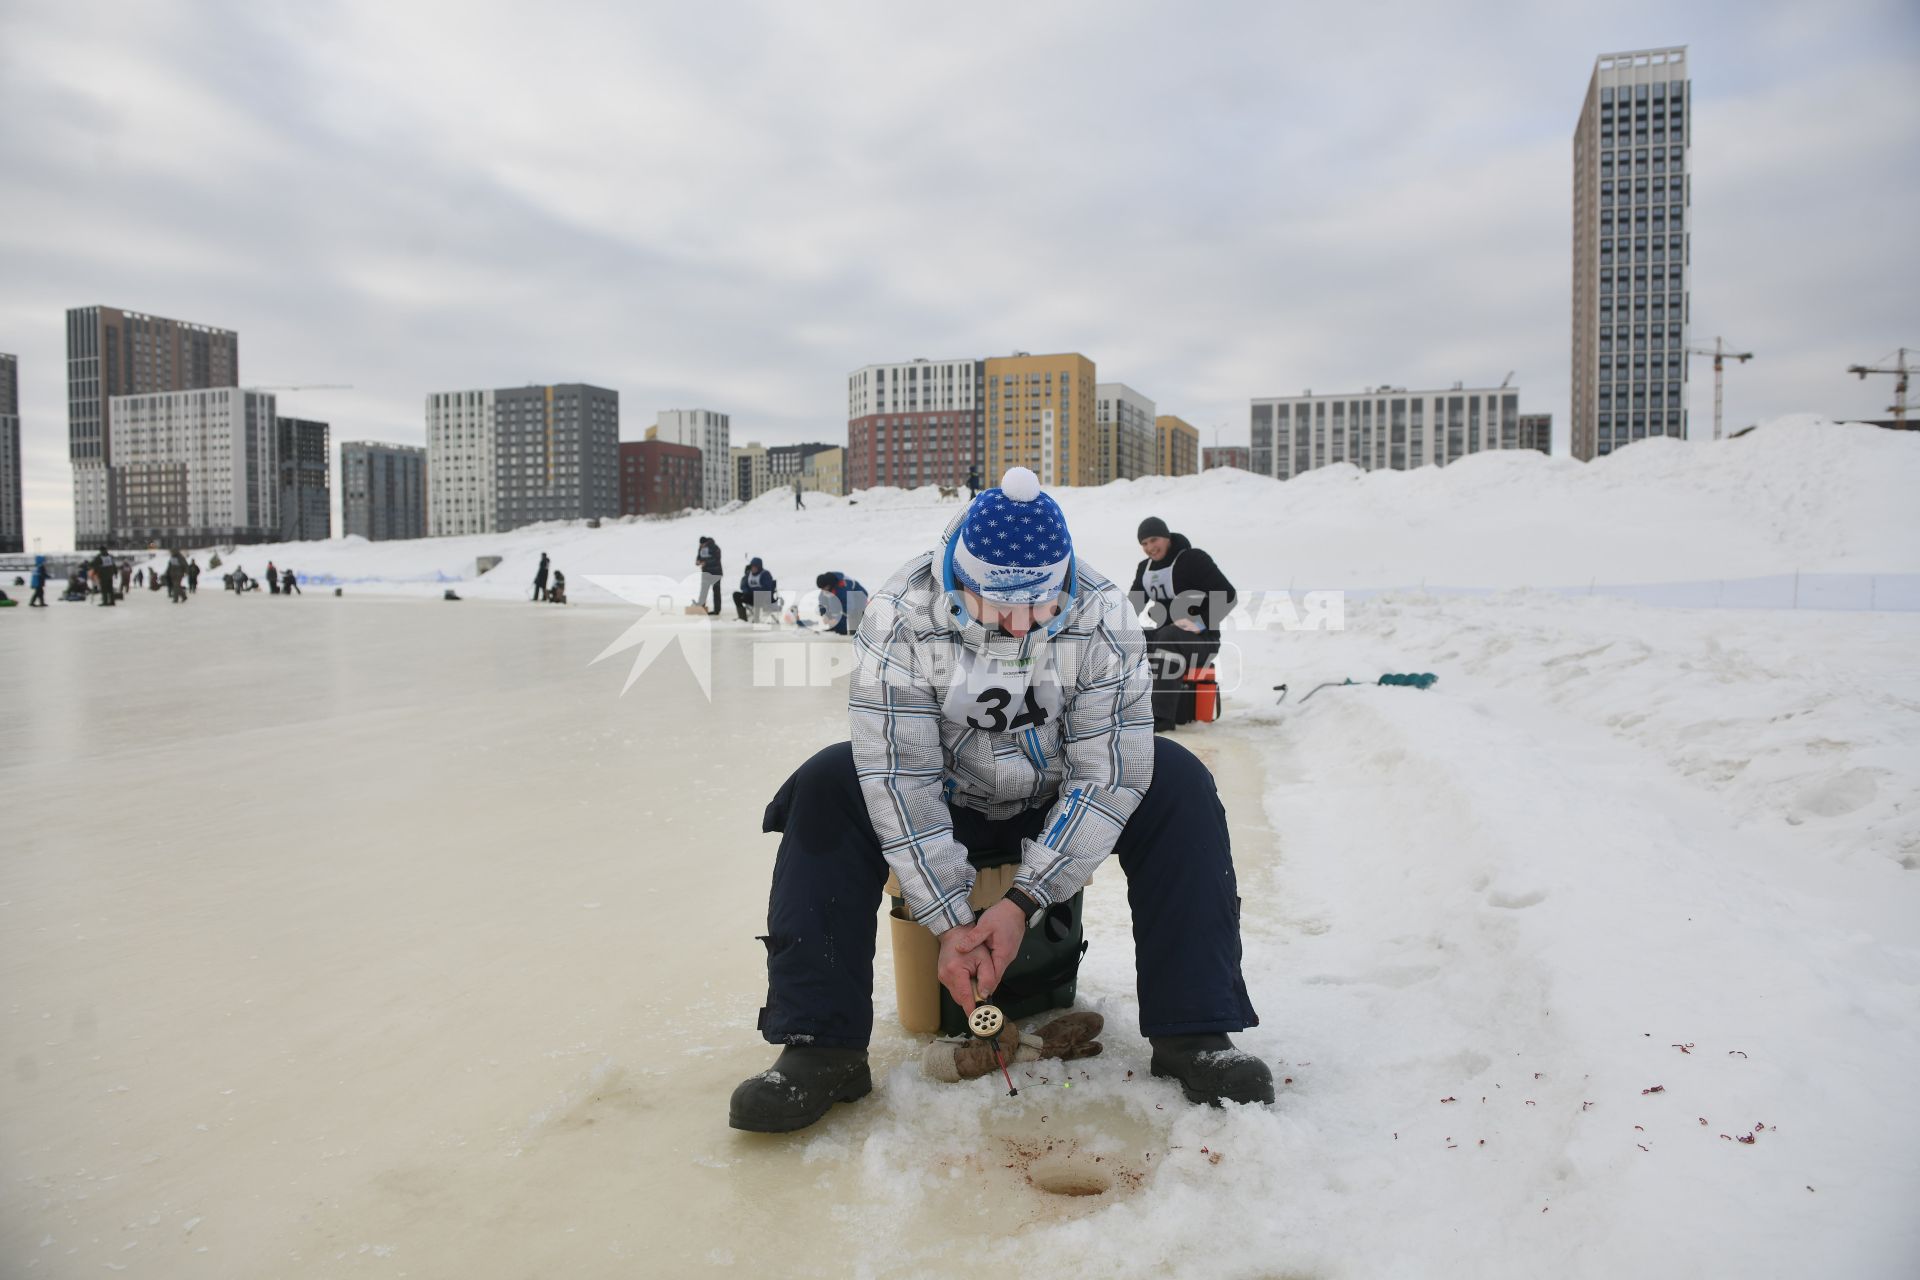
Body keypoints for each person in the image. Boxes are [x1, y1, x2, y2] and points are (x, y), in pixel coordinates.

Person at [729, 467, 1270, 1134]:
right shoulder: (900, 616)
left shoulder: (1102, 615)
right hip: (951, 798)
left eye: (1041, 607)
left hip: (1055, 797)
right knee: (826, 784)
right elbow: (899, 774)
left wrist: (1022, 903)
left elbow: (1110, 774)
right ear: (961, 583)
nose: (1020, 626)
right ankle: (821, 1044)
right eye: (1000, 608)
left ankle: (1196, 1029)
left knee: (1179, 780)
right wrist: (952, 921)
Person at [1128, 517, 1239, 733]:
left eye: (1154, 540)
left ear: (1167, 537)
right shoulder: (1145, 569)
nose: (1150, 547)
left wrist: (1201, 623)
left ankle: (1161, 718)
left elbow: (1228, 594)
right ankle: (1130, 710)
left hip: (1202, 641)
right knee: (1134, 639)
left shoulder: (1193, 559)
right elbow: (1132, 606)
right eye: (1144, 544)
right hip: (1166, 636)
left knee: (1169, 635)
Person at [813, 571, 868, 635]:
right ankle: (836, 627)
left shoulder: (842, 588)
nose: (823, 590)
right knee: (834, 608)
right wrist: (824, 615)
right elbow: (822, 602)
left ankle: (856, 632)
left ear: (829, 585)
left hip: (859, 597)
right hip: (845, 597)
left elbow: (848, 607)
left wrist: (836, 620)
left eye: (824, 588)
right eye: (821, 588)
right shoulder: (826, 587)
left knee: (852, 619)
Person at [733, 557, 778, 622]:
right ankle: (742, 618)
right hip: (751, 596)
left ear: (759, 567)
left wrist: (754, 591)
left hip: (764, 598)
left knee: (758, 595)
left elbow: (767, 588)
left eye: (755, 567)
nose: (753, 568)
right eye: (752, 567)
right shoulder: (748, 574)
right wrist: (746, 591)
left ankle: (757, 618)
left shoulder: (765, 574)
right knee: (736, 595)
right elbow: (743, 585)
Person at [695, 536, 723, 615]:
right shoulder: (701, 548)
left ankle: (717, 610)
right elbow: (699, 558)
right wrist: (698, 561)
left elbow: (717, 559)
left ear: (706, 543)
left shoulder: (714, 548)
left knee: (716, 591)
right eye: (700, 544)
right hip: (706, 573)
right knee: (703, 590)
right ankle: (701, 606)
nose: (701, 546)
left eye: (702, 544)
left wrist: (706, 563)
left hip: (716, 573)